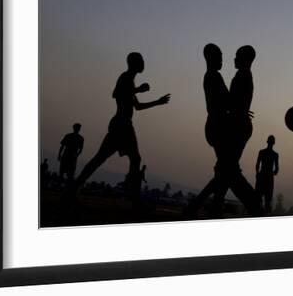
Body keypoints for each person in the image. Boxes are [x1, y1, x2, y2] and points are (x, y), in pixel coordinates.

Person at [73, 52, 170, 202]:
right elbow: (116, 93)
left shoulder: (130, 81)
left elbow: (137, 106)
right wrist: (138, 90)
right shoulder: (125, 77)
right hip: (121, 124)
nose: (143, 63)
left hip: (123, 124)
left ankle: (76, 187)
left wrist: (158, 102)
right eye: (141, 60)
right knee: (128, 159)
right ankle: (131, 196)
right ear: (133, 63)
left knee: (108, 158)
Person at [186, 44, 260, 217]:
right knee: (228, 172)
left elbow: (230, 102)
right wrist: (240, 109)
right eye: (220, 56)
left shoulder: (238, 76)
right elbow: (228, 102)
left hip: (226, 128)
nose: (228, 59)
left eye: (235, 55)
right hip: (222, 128)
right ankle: (253, 204)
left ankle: (209, 207)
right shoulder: (215, 77)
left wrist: (239, 109)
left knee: (225, 172)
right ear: (210, 58)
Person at [255, 135, 279, 213]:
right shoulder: (274, 154)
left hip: (263, 176)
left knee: (261, 199)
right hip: (267, 177)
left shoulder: (262, 152)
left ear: (267, 141)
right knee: (266, 200)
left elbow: (257, 165)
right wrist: (274, 172)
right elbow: (276, 169)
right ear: (274, 143)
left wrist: (257, 173)